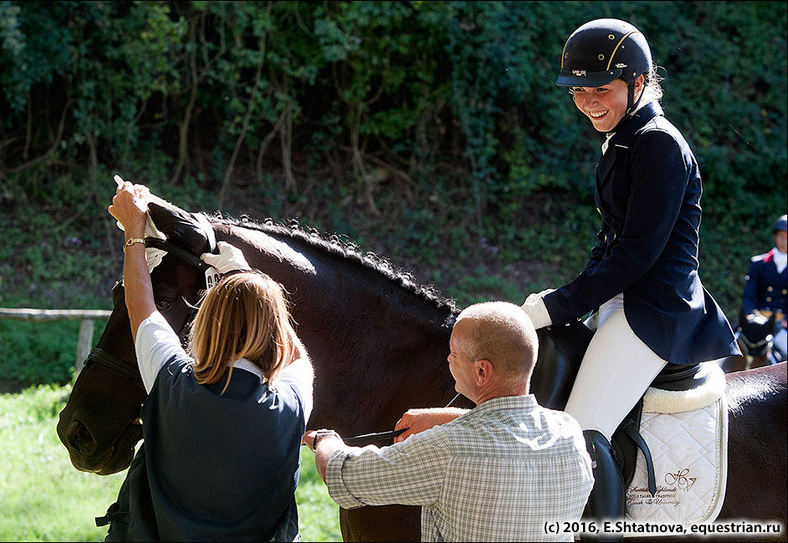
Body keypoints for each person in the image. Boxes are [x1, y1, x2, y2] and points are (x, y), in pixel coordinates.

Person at [517, 18, 740, 528]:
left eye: (602, 89)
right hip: (626, 299)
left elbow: (637, 253)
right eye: (578, 91)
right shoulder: (623, 138)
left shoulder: (657, 142)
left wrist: (557, 306)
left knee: (582, 432)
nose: (589, 101)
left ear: (638, 83)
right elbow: (609, 243)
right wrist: (564, 298)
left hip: (656, 308)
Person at [106, 181, 314, 541]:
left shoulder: (170, 378)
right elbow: (301, 360)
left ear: (206, 319)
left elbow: (141, 306)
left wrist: (134, 234)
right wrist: (249, 278)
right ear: (275, 326)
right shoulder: (292, 403)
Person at [304, 301, 594, 542]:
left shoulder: (449, 449)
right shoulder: (569, 431)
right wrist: (447, 418)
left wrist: (326, 441)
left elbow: (347, 476)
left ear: (482, 372)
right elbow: (511, 431)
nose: (448, 360)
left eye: (454, 353)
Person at [741, 214, 787, 360]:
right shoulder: (758, 263)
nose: (784, 241)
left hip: (782, 324)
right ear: (775, 236)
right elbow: (749, 295)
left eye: (787, 237)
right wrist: (750, 314)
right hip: (757, 321)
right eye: (781, 236)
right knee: (727, 348)